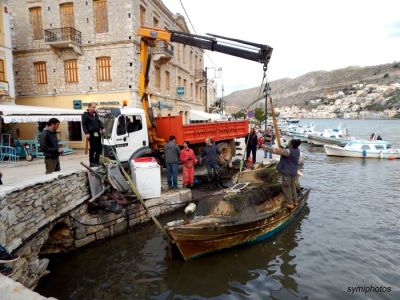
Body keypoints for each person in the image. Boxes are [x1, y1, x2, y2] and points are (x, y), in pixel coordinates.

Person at [264, 139, 301, 209]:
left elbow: (277, 151)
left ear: (292, 144)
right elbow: (285, 152)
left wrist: (266, 147)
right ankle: (295, 201)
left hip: (287, 172)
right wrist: (283, 149)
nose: (288, 143)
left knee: (286, 186)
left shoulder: (289, 151)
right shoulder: (297, 150)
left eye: (289, 142)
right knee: (292, 186)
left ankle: (290, 203)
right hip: (293, 172)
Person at [82, 102, 104, 167]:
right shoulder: (85, 115)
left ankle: (96, 161)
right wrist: (86, 132)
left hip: (97, 132)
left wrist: (102, 128)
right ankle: (92, 162)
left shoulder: (96, 114)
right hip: (91, 133)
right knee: (93, 148)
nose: (94, 108)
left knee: (99, 148)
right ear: (89, 107)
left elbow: (99, 122)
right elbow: (84, 125)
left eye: (95, 107)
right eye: (93, 107)